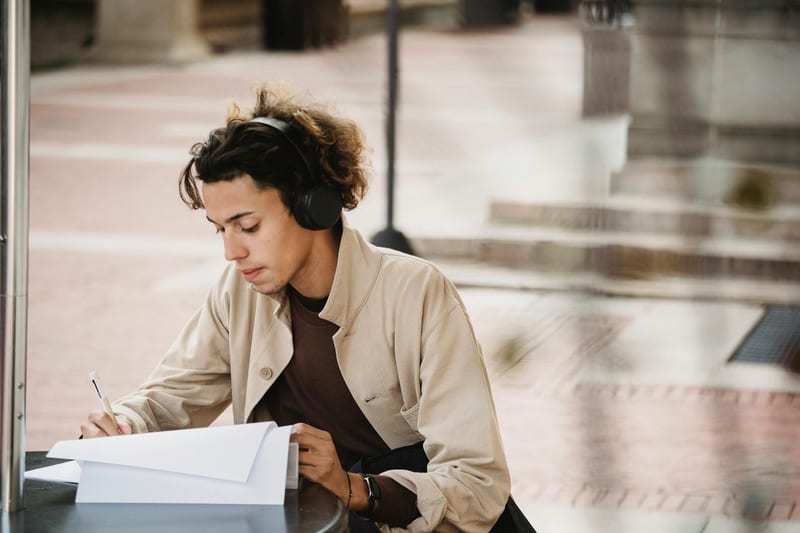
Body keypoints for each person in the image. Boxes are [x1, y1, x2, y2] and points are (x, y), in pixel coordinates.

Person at [80, 84, 511, 532]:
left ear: (313, 206)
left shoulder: (417, 294)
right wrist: (122, 425)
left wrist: (352, 486)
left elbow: (477, 483)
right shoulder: (238, 289)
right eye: (219, 230)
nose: (231, 251)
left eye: (247, 226)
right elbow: (171, 397)